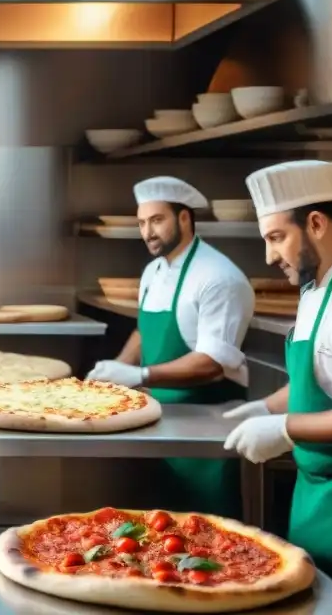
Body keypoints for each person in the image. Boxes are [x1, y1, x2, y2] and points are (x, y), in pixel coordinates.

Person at [87, 176, 254, 517]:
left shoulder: (219, 277)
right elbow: (145, 330)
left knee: (208, 534)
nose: (147, 232)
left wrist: (140, 374)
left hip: (205, 426)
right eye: (142, 222)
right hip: (156, 420)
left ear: (184, 218)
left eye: (157, 220)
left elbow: (212, 363)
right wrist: (116, 371)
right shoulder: (153, 272)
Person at [224, 160, 332, 583]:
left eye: (277, 238)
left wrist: (285, 430)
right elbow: (320, 381)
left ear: (315, 223)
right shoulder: (314, 288)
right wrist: (262, 407)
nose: (269, 256)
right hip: (312, 496)